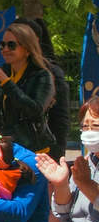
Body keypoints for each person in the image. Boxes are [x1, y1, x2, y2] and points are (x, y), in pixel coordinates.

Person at [0, 22, 55, 157]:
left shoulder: (42, 76)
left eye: (11, 45)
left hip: (35, 151)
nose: (5, 49)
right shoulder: (3, 72)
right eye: (2, 45)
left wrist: (7, 83)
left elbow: (35, 110)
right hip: (6, 148)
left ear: (27, 49)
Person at [23, 18, 70, 158]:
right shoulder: (4, 72)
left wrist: (56, 154)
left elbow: (60, 119)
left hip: (41, 153)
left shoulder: (50, 73)